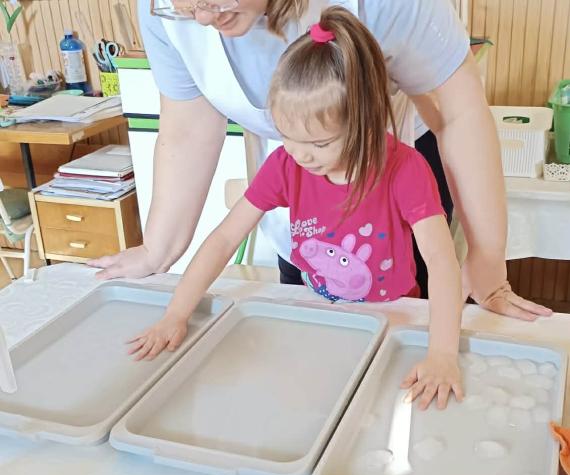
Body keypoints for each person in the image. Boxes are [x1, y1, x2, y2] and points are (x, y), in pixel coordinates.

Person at [89, 0, 551, 323]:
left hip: (394, 173)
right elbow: (187, 130)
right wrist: (157, 249)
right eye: (188, 7)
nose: (204, 17)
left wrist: (487, 256)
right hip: (308, 196)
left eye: (216, 1)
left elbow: (458, 113)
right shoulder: (291, 162)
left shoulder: (393, 9)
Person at [129, 8, 465, 411]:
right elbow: (224, 239)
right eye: (287, 136)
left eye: (320, 144)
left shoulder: (405, 169)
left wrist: (442, 354)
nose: (302, 155)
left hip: (393, 323)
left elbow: (441, 262)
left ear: (366, 122)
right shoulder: (287, 164)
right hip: (318, 321)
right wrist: (176, 313)